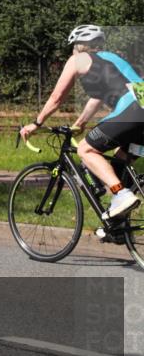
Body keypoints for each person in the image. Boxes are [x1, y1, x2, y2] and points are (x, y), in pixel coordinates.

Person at [21, 25, 144, 234]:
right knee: (119, 162)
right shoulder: (112, 59)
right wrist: (80, 123)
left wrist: (37, 123)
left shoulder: (77, 60)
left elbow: (56, 98)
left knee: (86, 150)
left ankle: (121, 195)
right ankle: (118, 226)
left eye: (72, 47)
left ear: (79, 46)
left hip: (132, 110)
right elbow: (97, 98)